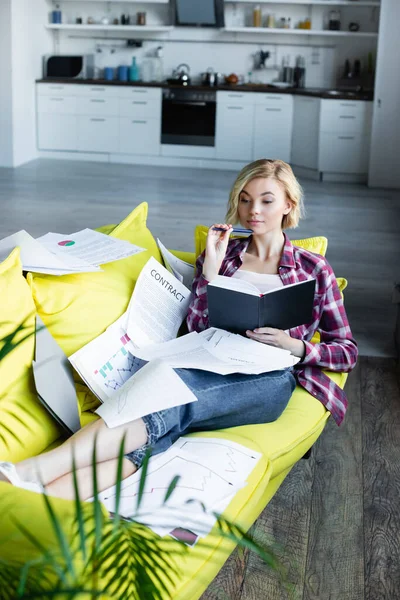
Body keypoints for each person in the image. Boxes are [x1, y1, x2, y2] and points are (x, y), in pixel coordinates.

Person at [0, 159, 358, 500]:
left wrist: (295, 346)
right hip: (209, 357)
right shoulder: (222, 255)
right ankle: (34, 495)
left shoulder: (314, 268)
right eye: (245, 200)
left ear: (288, 204)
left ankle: (31, 471)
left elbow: (346, 350)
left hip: (270, 376)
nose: (254, 211)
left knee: (169, 402)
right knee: (157, 435)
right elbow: (197, 326)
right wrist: (212, 273)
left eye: (267, 200)